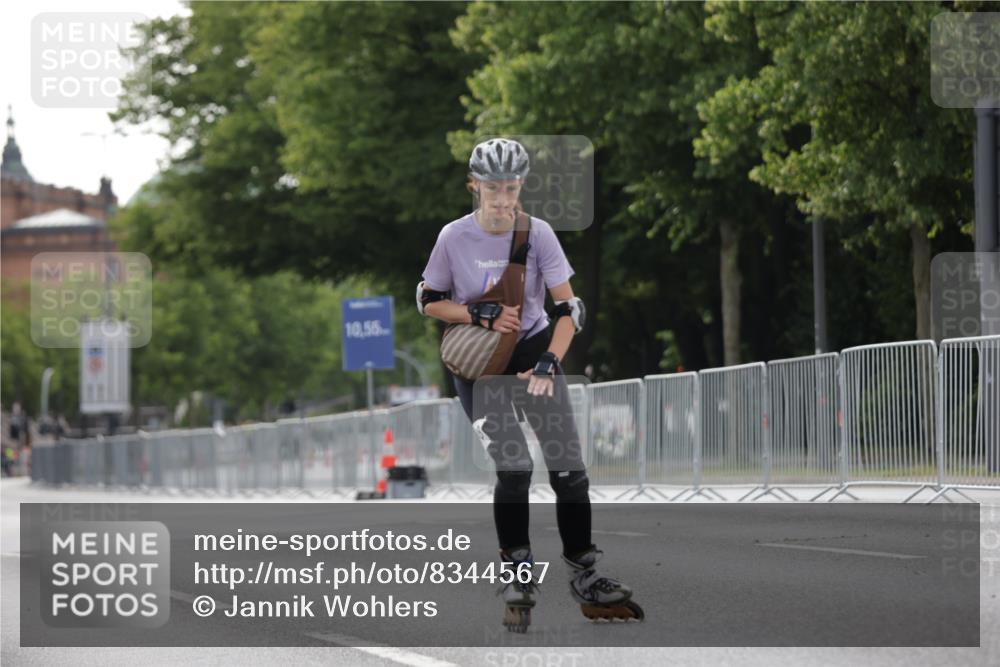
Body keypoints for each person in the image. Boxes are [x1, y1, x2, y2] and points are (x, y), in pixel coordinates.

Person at [418, 138, 642, 631]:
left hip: (534, 352)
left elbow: (568, 311)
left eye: (511, 188)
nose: (502, 198)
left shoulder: (537, 234)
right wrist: (474, 311)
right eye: (492, 188)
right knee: (515, 468)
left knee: (569, 469)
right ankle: (518, 572)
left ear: (521, 186)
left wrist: (547, 363)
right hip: (479, 368)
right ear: (473, 185)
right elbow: (428, 299)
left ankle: (586, 574)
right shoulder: (453, 238)